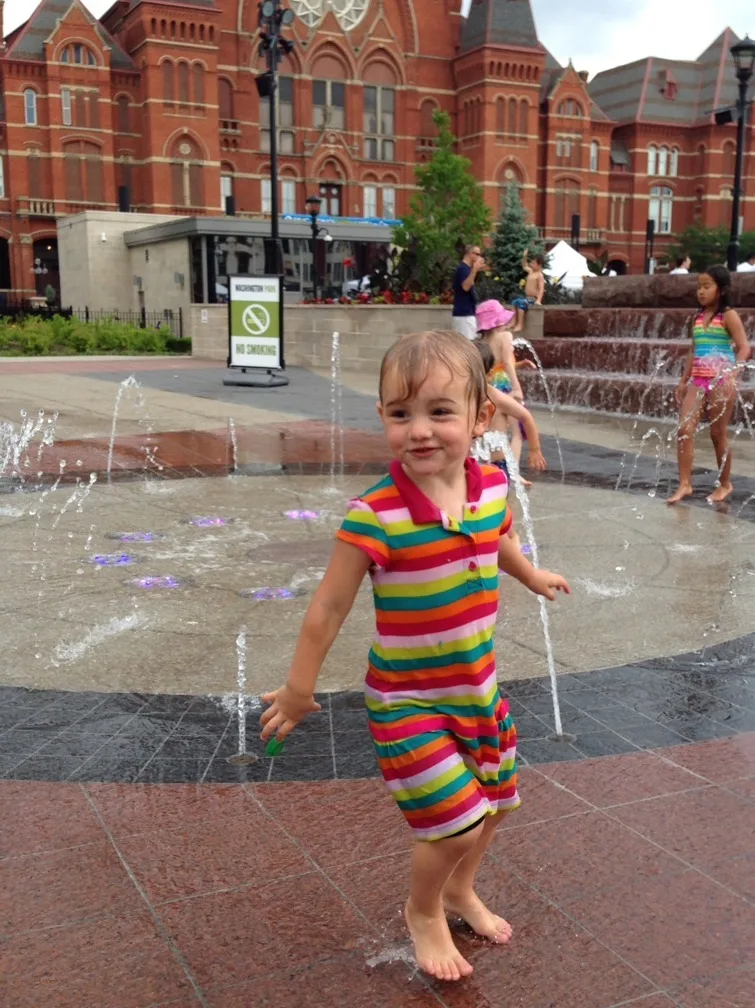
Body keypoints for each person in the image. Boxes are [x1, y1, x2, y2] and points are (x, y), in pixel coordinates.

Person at [260, 329, 570, 983]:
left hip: (477, 690)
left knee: (497, 804)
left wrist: (529, 574)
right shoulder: (376, 515)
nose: (420, 430)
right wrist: (297, 689)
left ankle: (459, 890)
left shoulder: (491, 487)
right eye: (401, 414)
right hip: (408, 702)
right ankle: (423, 910)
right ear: (383, 416)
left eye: (440, 411)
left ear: (480, 417)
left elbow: (498, 539)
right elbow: (328, 607)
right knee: (456, 823)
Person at [667, 265, 751, 505]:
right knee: (684, 429)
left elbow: (744, 347)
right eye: (699, 287)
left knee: (717, 434)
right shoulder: (697, 317)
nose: (701, 292)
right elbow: (693, 351)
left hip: (721, 382)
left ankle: (725, 484)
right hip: (699, 381)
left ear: (721, 290)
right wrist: (683, 380)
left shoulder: (728, 316)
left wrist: (733, 374)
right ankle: (685, 484)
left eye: (707, 286)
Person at [475, 299, 538, 480]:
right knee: (517, 432)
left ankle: (488, 465)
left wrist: (521, 363)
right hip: (504, 385)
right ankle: (513, 473)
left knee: (491, 429)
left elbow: (496, 365)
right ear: (498, 321)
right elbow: (507, 365)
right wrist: (517, 387)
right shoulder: (505, 336)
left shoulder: (484, 341)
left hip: (490, 383)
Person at [472, 337, 547, 482]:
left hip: (497, 466)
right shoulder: (462, 397)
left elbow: (526, 417)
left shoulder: (498, 399)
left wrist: (535, 450)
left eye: (475, 375)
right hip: (472, 464)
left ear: (489, 375)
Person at [452, 245, 487, 340]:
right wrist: (474, 270)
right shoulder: (463, 269)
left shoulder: (467, 269)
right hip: (464, 314)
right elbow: (465, 287)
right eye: (477, 254)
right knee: (468, 344)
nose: (479, 257)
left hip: (467, 313)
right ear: (470, 254)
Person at [512, 249, 544, 332]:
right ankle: (514, 322)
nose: (531, 264)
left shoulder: (539, 275)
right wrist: (524, 256)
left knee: (521, 303)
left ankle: (520, 324)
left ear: (539, 265)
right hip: (527, 297)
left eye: (534, 263)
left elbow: (541, 289)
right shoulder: (531, 271)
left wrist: (538, 300)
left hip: (533, 299)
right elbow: (524, 266)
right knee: (515, 302)